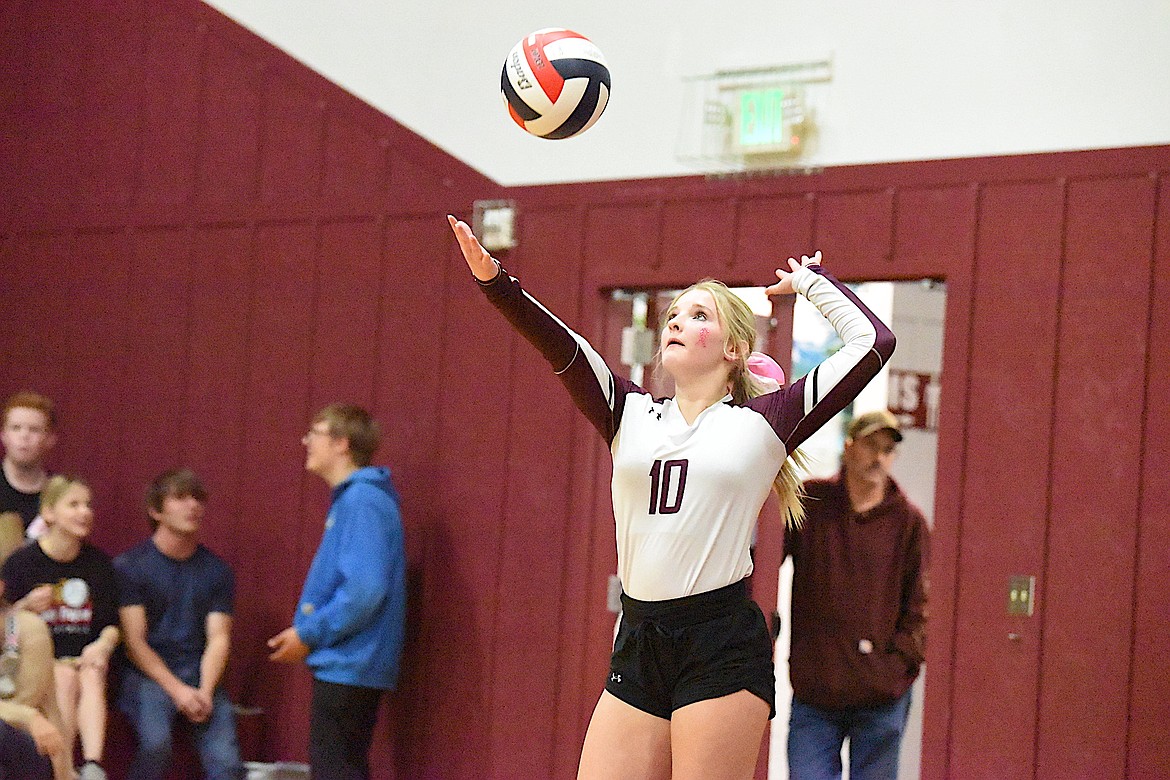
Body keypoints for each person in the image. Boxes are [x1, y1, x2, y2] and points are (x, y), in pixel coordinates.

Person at [447, 214, 896, 780]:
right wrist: (495, 281)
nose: (678, 323)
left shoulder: (767, 422)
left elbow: (874, 341)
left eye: (699, 315)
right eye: (674, 315)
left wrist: (811, 283)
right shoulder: (628, 412)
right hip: (639, 638)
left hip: (720, 644)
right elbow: (559, 345)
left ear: (733, 348)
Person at [784, 409, 930, 780]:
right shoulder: (811, 503)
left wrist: (896, 668)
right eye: (870, 446)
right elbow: (763, 562)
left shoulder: (909, 523)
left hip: (881, 696)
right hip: (817, 689)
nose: (878, 457)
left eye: (887, 449)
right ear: (848, 448)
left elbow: (923, 605)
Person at [267, 403, 407, 780]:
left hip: (351, 663)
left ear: (342, 443)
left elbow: (364, 589)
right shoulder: (362, 499)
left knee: (336, 770)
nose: (306, 441)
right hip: (352, 662)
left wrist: (309, 634)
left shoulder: (362, 501)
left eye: (315, 433)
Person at [114, 468, 245, 780]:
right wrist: (177, 691)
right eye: (181, 497)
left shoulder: (217, 571)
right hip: (148, 676)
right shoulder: (129, 567)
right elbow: (134, 643)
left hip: (199, 671)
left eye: (197, 498)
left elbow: (219, 638)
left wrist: (204, 689)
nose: (193, 506)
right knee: (156, 746)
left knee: (226, 762)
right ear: (156, 510)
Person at [2, 475, 120, 780]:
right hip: (38, 662)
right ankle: (62, 767)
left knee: (91, 674)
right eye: (74, 505)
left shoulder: (99, 565)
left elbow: (110, 625)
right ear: (50, 513)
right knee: (65, 678)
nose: (85, 512)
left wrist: (102, 646)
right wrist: (25, 604)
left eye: (88, 505)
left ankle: (93, 765)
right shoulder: (22, 563)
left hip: (83, 656)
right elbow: (8, 625)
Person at [0, 572, 73, 780]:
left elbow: (26, 700)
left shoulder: (26, 628)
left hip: (27, 742)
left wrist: (27, 716)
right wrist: (27, 716)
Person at [0, 391, 58, 539]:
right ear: (3, 435)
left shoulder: (59, 493)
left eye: (34, 429)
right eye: (16, 428)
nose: (24, 436)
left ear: (50, 439)